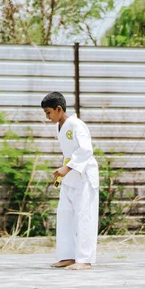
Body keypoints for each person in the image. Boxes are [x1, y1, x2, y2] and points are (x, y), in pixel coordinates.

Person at [41, 92, 99, 270]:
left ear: (59, 109)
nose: (47, 117)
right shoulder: (60, 126)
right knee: (65, 215)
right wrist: (63, 171)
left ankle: (85, 260)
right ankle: (67, 256)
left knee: (84, 217)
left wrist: (67, 168)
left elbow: (86, 150)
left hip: (83, 176)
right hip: (69, 176)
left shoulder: (76, 124)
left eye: (49, 112)